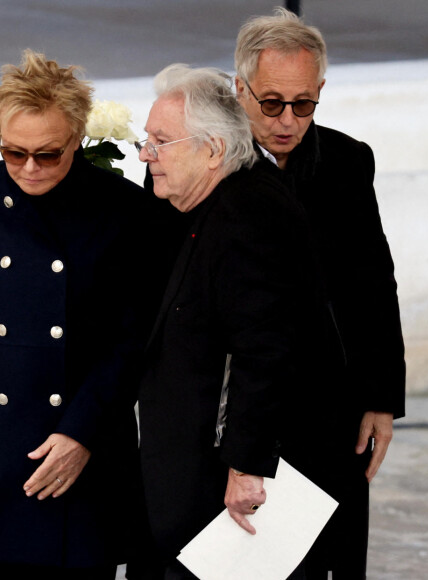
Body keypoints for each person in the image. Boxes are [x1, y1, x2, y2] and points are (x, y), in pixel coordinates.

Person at [234, 8, 406, 579]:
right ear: (240, 90)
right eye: (272, 102)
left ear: (321, 92)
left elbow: (373, 283)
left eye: (303, 104)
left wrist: (381, 397)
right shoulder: (203, 163)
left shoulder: (347, 162)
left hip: (331, 409)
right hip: (237, 412)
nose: (287, 119)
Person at [133, 65, 313, 579]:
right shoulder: (212, 200)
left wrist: (247, 469)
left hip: (230, 498)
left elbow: (266, 351)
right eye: (147, 139)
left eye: (161, 142)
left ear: (212, 149)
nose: (147, 155)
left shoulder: (248, 217)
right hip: (191, 488)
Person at [0, 50, 173, 579]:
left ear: (77, 139)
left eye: (48, 154)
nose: (29, 168)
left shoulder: (124, 210)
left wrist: (81, 433)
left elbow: (135, 336)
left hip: (79, 454)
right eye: (12, 153)